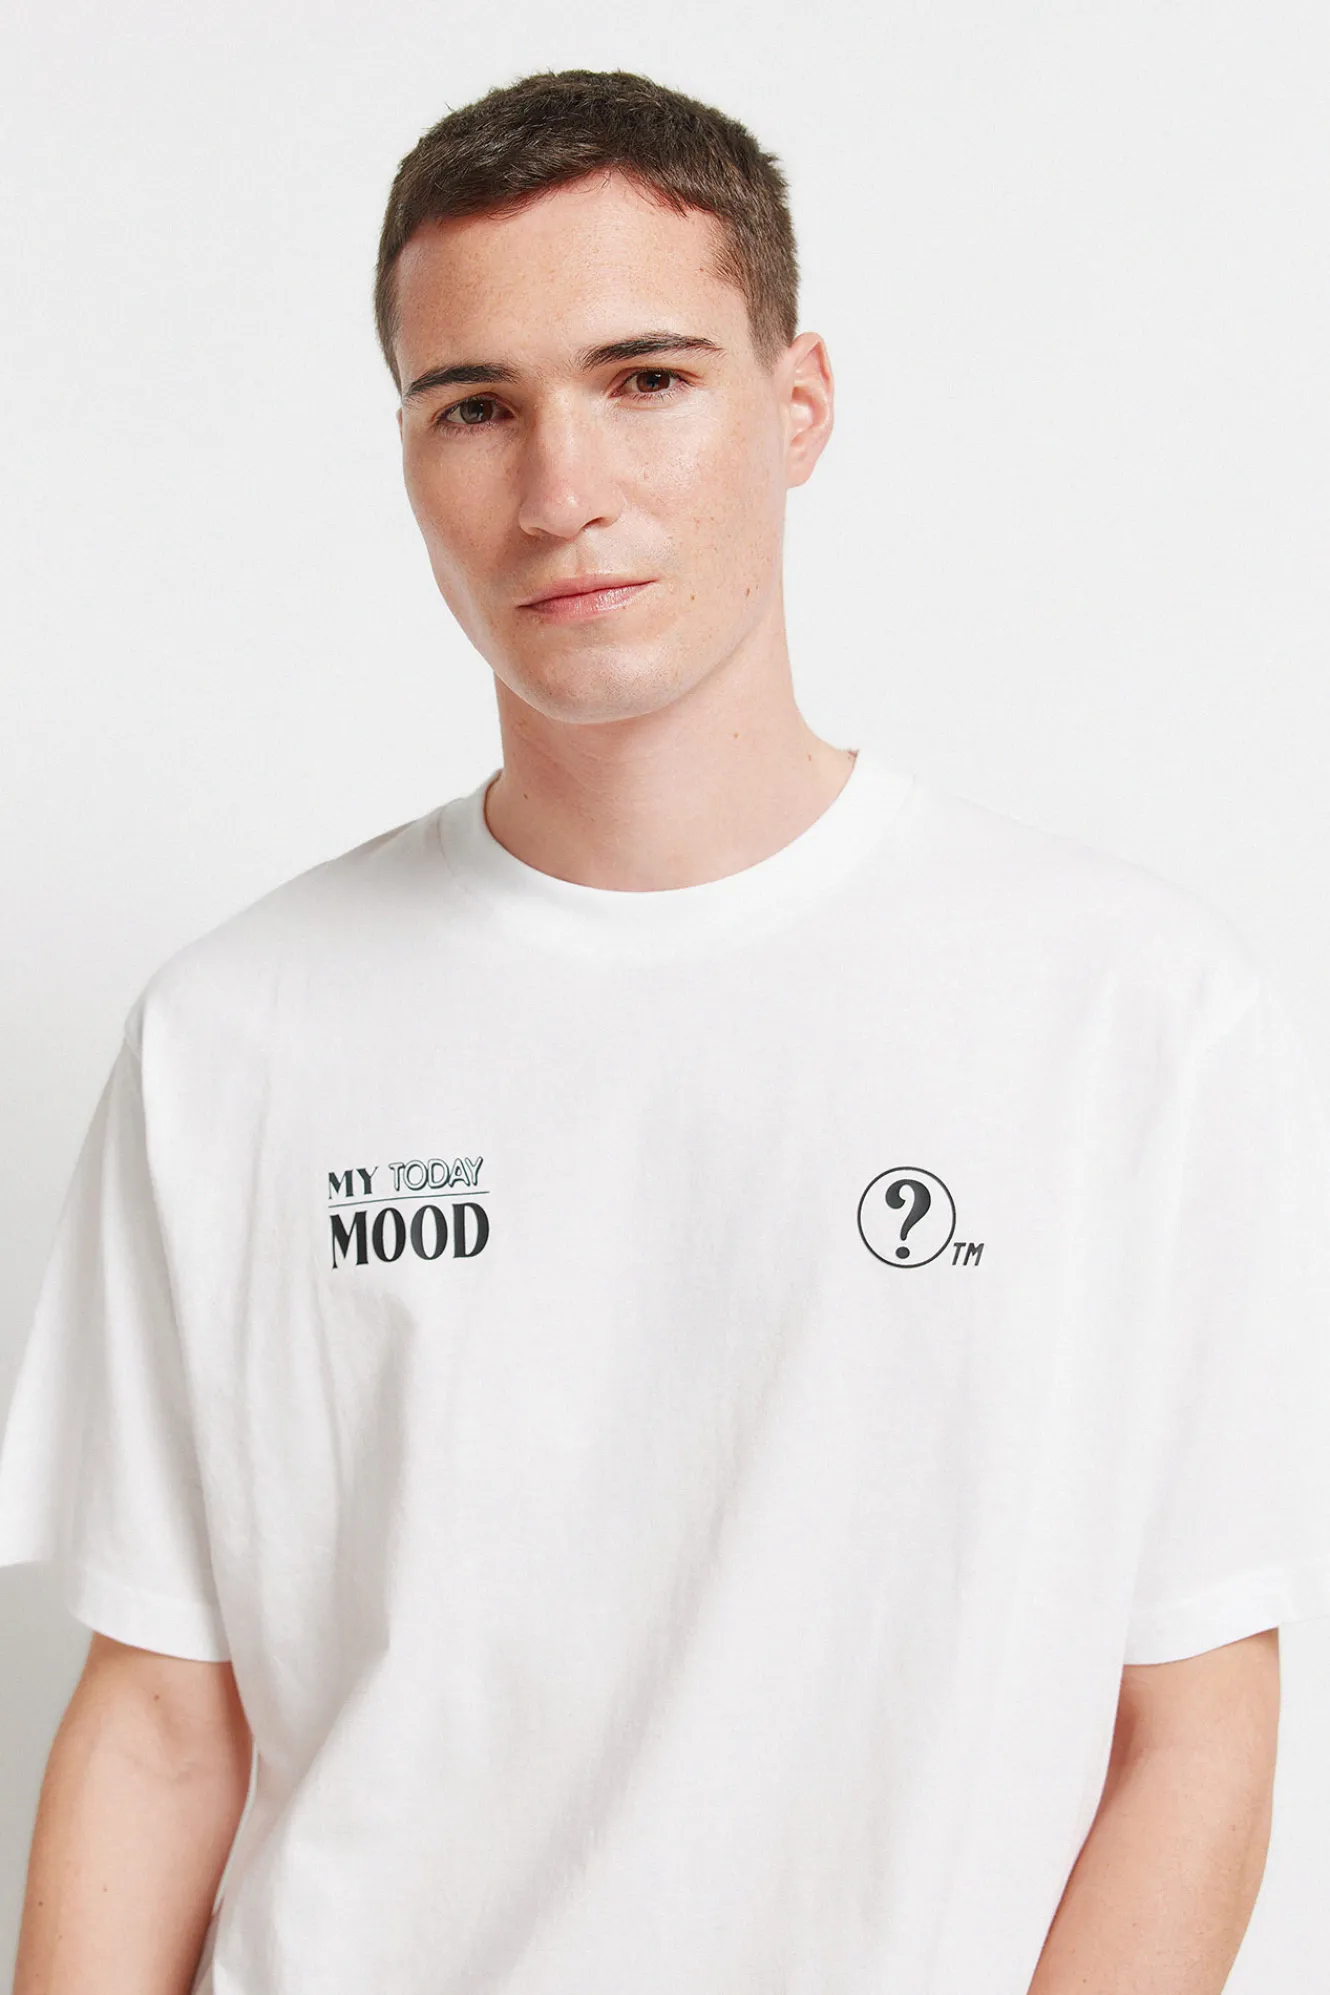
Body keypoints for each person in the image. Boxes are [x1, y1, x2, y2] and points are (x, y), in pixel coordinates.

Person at [2, 66, 1328, 1995]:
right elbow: (156, 1727)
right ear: (410, 454)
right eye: (476, 407)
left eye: (645, 378)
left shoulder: (1128, 1011)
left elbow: (1191, 1718)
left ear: (796, 405)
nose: (562, 492)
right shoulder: (239, 1036)